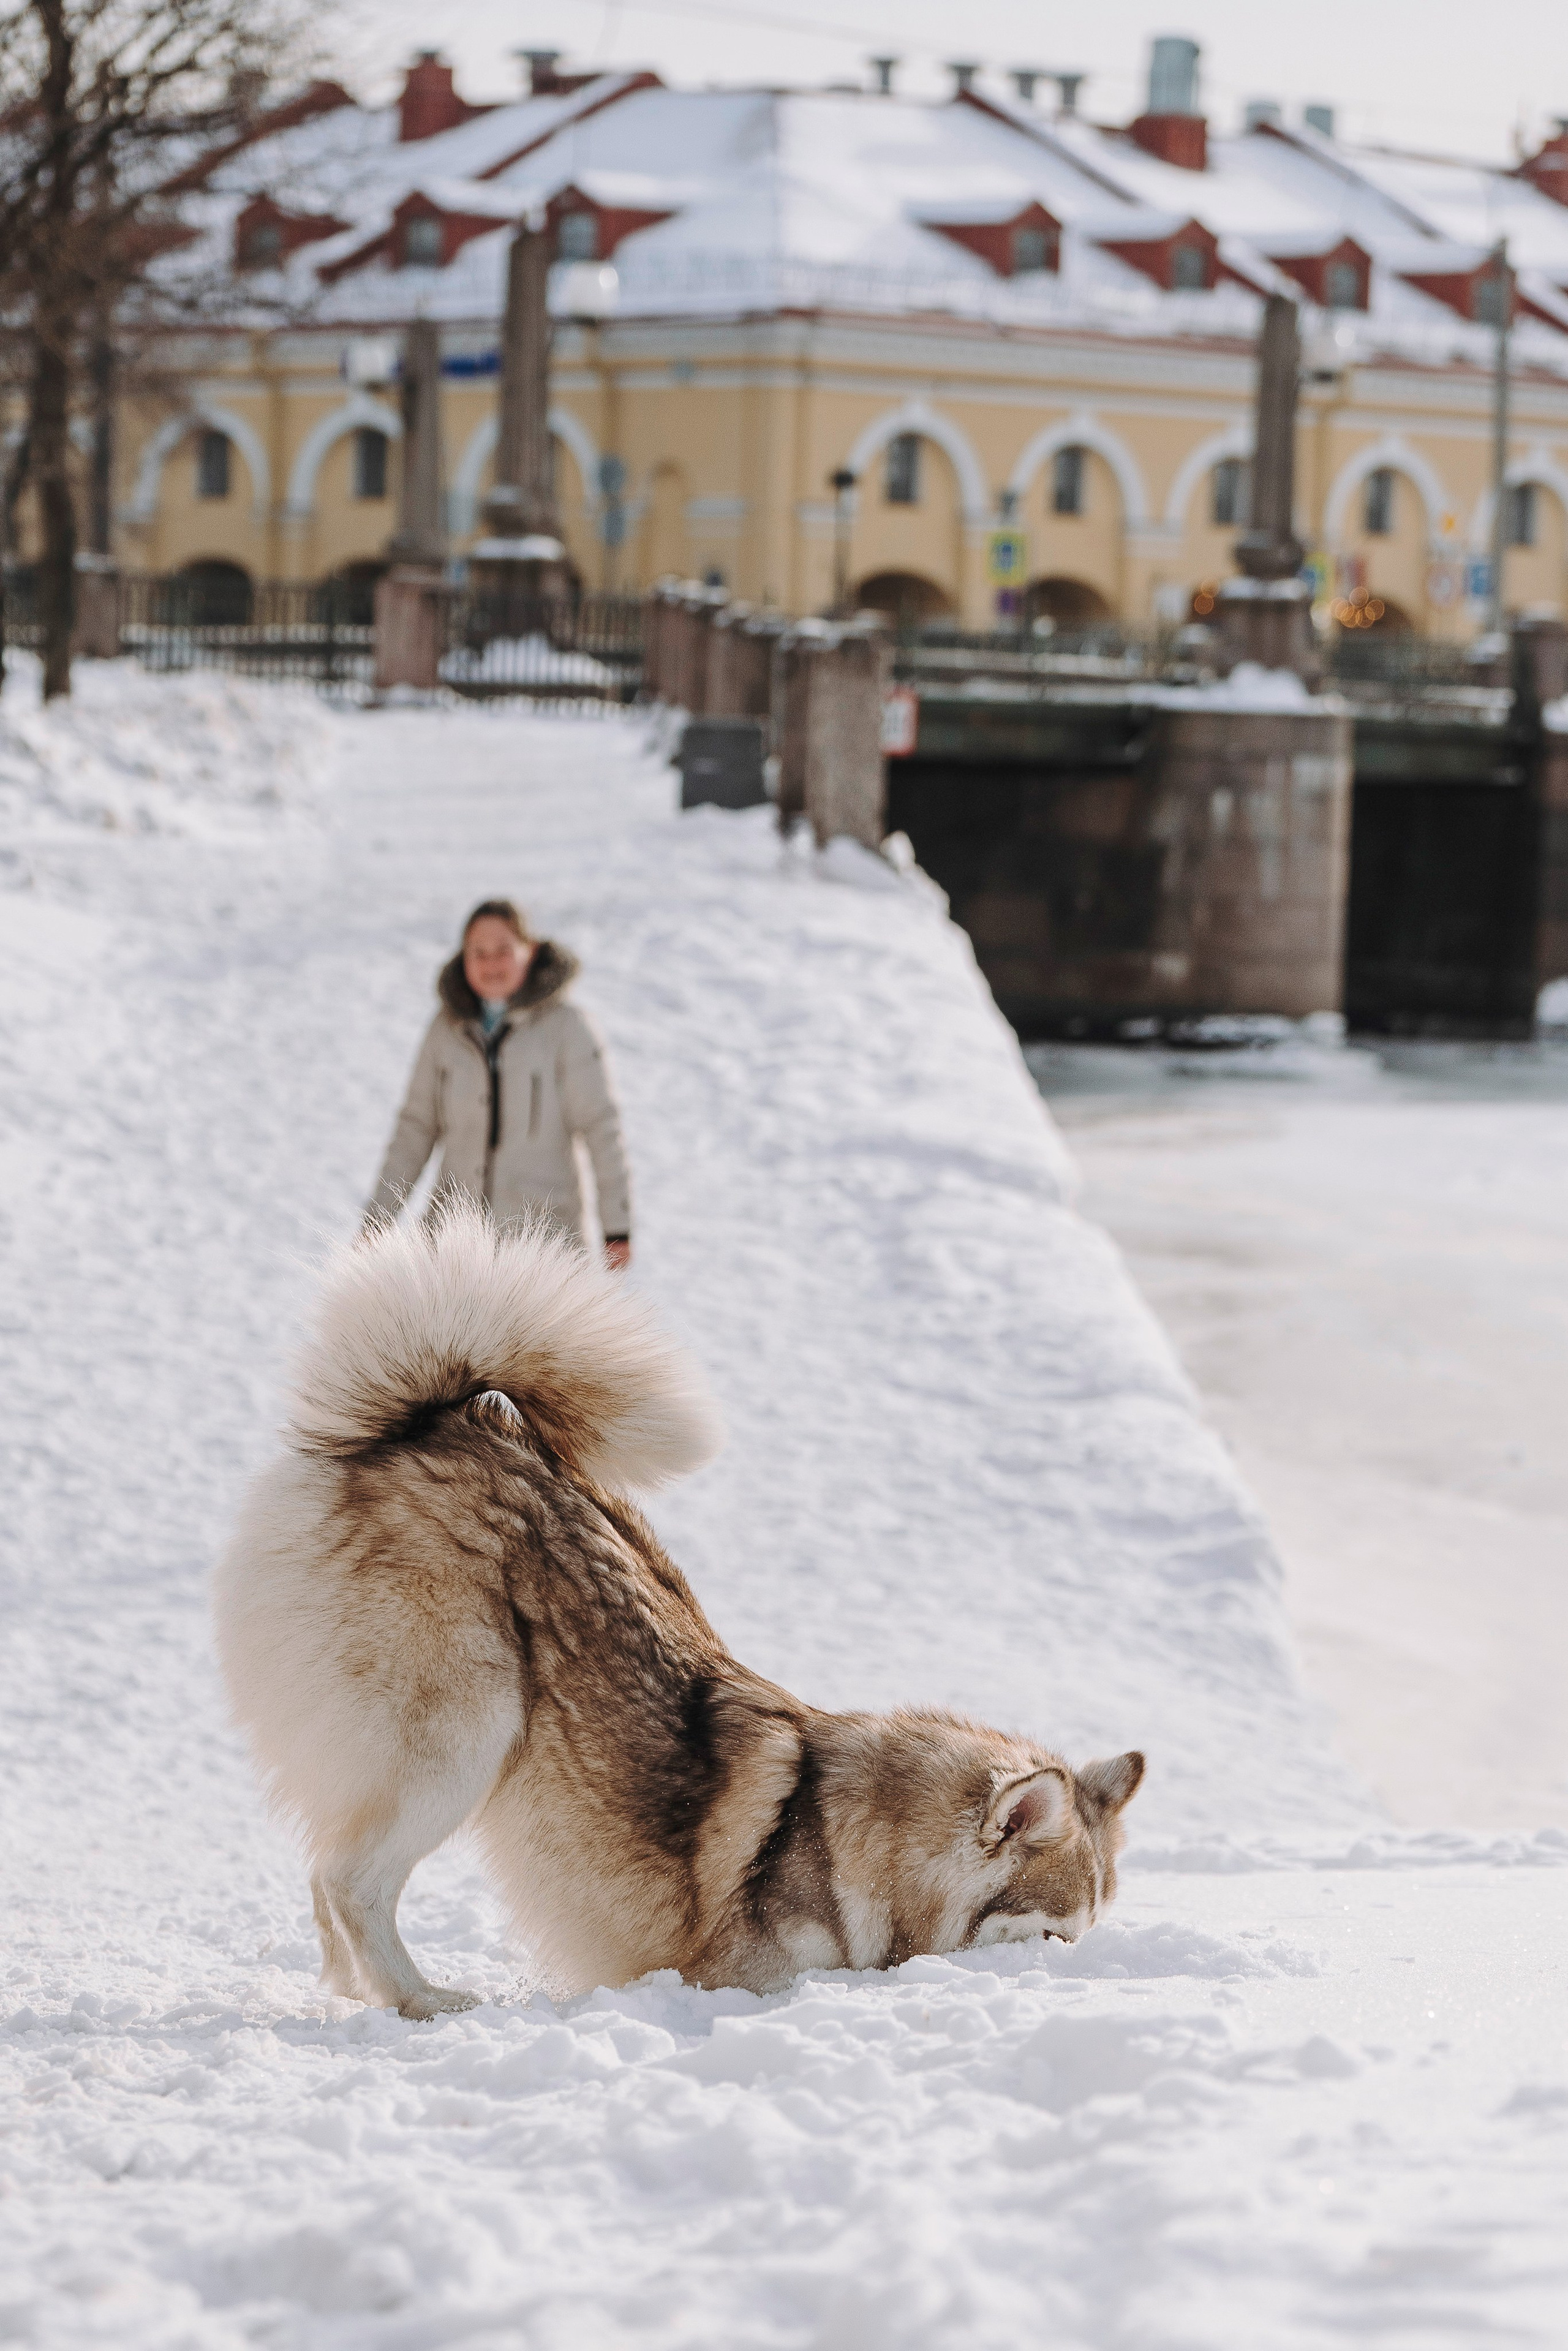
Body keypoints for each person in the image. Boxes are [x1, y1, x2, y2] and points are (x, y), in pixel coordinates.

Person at [366, 898, 631, 1267]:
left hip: (542, 1248)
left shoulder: (567, 1028)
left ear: (531, 951)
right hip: (454, 1246)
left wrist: (617, 1227)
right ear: (464, 958)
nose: (491, 964)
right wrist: (377, 1221)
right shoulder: (446, 1030)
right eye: (479, 952)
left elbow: (601, 1127)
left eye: (503, 950)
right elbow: (416, 1127)